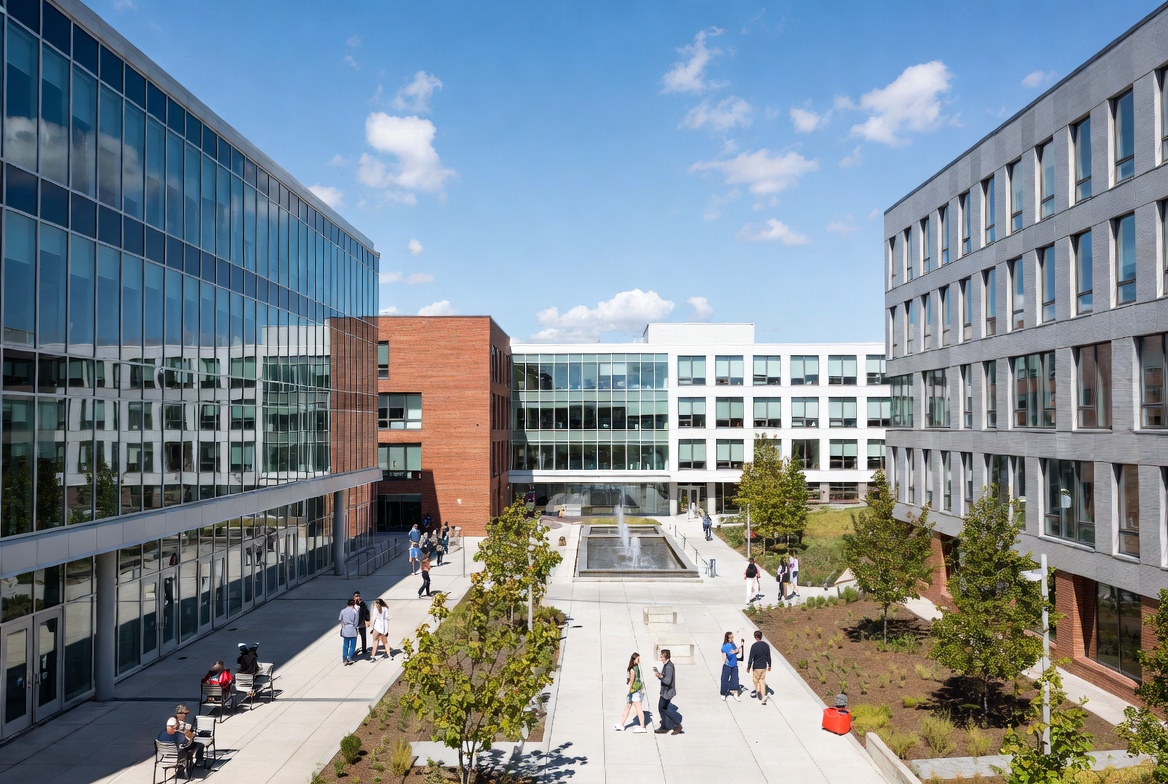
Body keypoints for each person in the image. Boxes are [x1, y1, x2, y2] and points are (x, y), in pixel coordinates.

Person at [613, 652, 648, 733]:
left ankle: (642, 726)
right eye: (638, 659)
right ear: (634, 659)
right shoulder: (637, 667)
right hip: (638, 689)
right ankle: (621, 724)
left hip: (634, 691)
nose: (639, 660)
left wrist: (630, 691)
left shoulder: (632, 669)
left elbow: (632, 681)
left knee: (637, 708)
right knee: (628, 707)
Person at [652, 649, 682, 734]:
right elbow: (664, 676)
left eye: (662, 657)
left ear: (665, 657)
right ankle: (664, 727)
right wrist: (658, 673)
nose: (661, 658)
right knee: (662, 708)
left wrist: (659, 676)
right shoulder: (667, 665)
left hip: (667, 692)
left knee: (662, 708)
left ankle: (677, 725)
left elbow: (668, 681)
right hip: (665, 692)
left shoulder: (669, 667)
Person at [747, 630, 773, 705]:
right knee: (762, 680)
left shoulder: (754, 646)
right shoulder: (766, 645)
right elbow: (768, 656)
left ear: (755, 637)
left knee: (756, 680)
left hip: (756, 667)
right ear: (761, 636)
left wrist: (748, 667)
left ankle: (758, 692)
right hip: (763, 666)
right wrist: (770, 665)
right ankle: (763, 696)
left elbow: (751, 658)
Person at [719, 632, 742, 702]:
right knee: (724, 679)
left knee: (735, 679)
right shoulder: (725, 646)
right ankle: (723, 693)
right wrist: (735, 651)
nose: (731, 639)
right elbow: (727, 654)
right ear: (727, 638)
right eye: (730, 638)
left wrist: (737, 650)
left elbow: (736, 651)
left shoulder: (733, 644)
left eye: (732, 638)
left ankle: (735, 693)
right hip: (727, 665)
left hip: (734, 665)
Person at [339, 598, 360, 665]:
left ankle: (344, 658)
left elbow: (341, 620)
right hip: (352, 629)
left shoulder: (343, 611)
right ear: (353, 604)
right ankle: (349, 657)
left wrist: (343, 626)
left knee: (345, 645)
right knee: (352, 645)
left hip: (345, 629)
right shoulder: (355, 611)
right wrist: (355, 627)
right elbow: (356, 622)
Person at [353, 591, 370, 656]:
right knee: (353, 638)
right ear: (354, 597)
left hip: (361, 624)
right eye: (356, 596)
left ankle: (364, 649)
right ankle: (353, 650)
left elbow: (366, 612)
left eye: (359, 596)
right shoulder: (352, 604)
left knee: (363, 637)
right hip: (354, 624)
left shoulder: (363, 604)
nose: (358, 597)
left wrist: (367, 619)